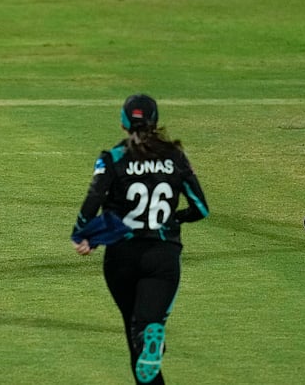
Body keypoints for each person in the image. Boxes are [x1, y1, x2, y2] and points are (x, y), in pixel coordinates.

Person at [72, 94, 209, 385]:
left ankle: (148, 340)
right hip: (163, 256)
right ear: (155, 120)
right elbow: (201, 208)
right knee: (147, 327)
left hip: (121, 258)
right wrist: (174, 219)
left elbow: (93, 200)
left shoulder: (113, 158)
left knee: (135, 334)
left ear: (123, 123)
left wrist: (84, 235)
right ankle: (151, 338)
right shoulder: (175, 157)